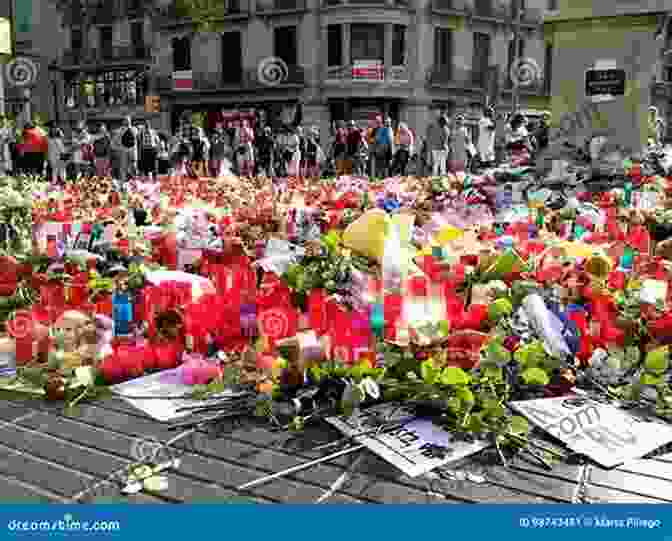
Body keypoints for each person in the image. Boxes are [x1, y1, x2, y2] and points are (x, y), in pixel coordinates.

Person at [426, 111, 450, 176]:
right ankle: (439, 176)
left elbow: (444, 140)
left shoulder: (439, 128)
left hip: (438, 148)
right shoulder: (445, 129)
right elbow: (445, 140)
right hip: (440, 148)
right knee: (440, 164)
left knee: (438, 164)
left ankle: (436, 176)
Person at [116, 116, 138, 183]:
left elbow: (135, 136)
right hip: (124, 149)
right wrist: (119, 147)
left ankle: (134, 181)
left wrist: (129, 128)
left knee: (133, 166)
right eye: (125, 120)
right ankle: (123, 181)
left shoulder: (134, 129)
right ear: (123, 122)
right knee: (123, 167)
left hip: (132, 149)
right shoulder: (121, 129)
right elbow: (117, 139)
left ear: (130, 121)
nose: (127, 122)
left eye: (128, 120)